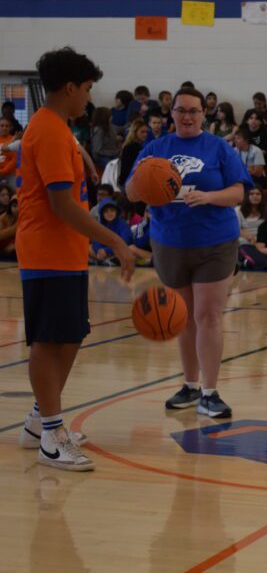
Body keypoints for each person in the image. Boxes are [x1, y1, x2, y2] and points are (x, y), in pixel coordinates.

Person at [17, 47, 135, 472]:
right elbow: (62, 205)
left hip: (64, 253)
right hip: (48, 250)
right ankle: (51, 433)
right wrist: (116, 243)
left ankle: (37, 421)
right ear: (69, 88)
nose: (89, 97)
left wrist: (79, 152)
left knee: (69, 335)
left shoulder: (58, 128)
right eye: (86, 89)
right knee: (48, 340)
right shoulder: (48, 131)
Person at [127, 87, 251, 419]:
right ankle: (190, 384)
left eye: (194, 111)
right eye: (181, 110)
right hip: (170, 242)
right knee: (183, 318)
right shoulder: (155, 149)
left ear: (203, 115)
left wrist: (209, 197)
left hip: (215, 242)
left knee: (208, 316)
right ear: (172, 113)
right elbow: (130, 189)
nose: (187, 116)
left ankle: (210, 392)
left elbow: (239, 192)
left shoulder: (219, 147)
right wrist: (146, 185)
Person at [89, 199, 132, 265]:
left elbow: (125, 241)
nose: (109, 214)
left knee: (125, 250)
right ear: (102, 214)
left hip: (117, 252)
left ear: (116, 212)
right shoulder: (100, 226)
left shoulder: (123, 225)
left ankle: (104, 260)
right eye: (106, 211)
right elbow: (96, 241)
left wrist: (107, 251)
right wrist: (100, 250)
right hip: (103, 252)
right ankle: (103, 260)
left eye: (112, 210)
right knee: (88, 248)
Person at [117, 119, 148, 193]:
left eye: (146, 132)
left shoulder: (136, 146)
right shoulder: (131, 147)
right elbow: (129, 168)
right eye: (142, 132)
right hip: (128, 183)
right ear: (135, 132)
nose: (145, 134)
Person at [89, 107, 120, 173]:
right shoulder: (99, 130)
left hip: (112, 154)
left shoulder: (111, 126)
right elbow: (97, 150)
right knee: (112, 167)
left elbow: (121, 129)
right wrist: (113, 152)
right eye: (110, 116)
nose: (112, 117)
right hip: (101, 157)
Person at [0, 114, 19, 189]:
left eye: (7, 126)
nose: (4, 128)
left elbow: (14, 160)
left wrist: (3, 171)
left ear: (10, 128)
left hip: (11, 173)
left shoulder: (14, 140)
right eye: (2, 125)